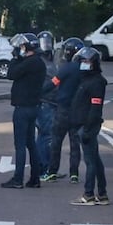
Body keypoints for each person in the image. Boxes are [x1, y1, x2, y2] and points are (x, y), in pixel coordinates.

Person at [2, 32, 46, 189]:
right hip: (34, 106)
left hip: (22, 108)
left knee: (20, 144)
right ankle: (35, 178)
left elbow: (11, 74)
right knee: (31, 144)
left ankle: (18, 178)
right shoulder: (39, 62)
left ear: (26, 47)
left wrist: (15, 58)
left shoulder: (28, 63)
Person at [41, 37, 84, 183]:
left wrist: (39, 92)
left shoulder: (66, 68)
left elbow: (53, 83)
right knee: (75, 144)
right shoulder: (84, 69)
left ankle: (52, 171)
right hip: (78, 111)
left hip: (63, 109)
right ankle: (74, 174)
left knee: (56, 141)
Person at [70, 47, 109, 205]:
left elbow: (95, 108)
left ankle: (89, 194)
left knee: (90, 161)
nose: (84, 64)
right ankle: (102, 193)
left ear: (94, 63)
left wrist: (87, 130)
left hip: (87, 126)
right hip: (83, 125)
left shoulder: (96, 82)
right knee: (96, 160)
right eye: (82, 61)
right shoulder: (86, 79)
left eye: (87, 61)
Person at [35, 30, 57, 173]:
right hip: (45, 102)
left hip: (50, 102)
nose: (47, 46)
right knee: (45, 135)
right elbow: (42, 86)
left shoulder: (49, 60)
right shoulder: (41, 62)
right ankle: (43, 168)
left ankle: (46, 166)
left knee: (46, 136)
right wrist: (56, 82)